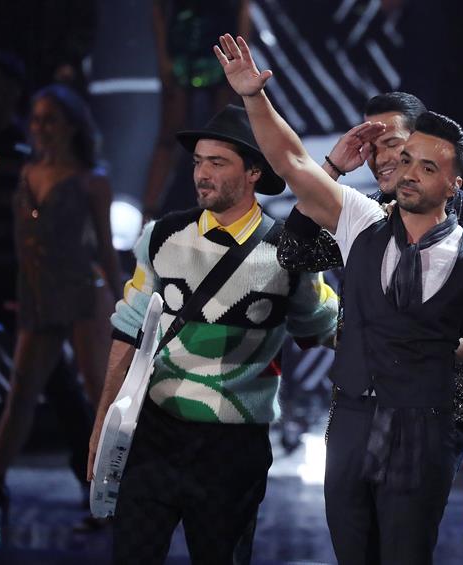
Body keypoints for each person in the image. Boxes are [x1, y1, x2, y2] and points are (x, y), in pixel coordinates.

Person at [214, 33, 463, 563]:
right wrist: (254, 97)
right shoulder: (363, 218)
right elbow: (294, 167)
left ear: (454, 182)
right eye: (401, 158)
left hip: (429, 423)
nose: (404, 169)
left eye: (424, 164)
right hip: (353, 417)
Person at [87, 103, 338, 565]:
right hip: (156, 433)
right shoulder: (161, 236)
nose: (202, 173)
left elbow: (325, 324)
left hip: (233, 444)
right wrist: (104, 419)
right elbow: (127, 328)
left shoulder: (288, 250)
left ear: (254, 173)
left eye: (217, 163)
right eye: (198, 162)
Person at [277, 91, 463, 466]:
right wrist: (333, 168)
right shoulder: (365, 214)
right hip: (359, 408)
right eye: (371, 148)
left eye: (392, 144)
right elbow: (295, 253)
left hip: (438, 413)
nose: (381, 158)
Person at [0, 84, 121, 532]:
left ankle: (108, 494)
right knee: (20, 393)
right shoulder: (25, 171)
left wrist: (122, 306)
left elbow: (104, 248)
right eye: (36, 118)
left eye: (50, 119)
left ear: (72, 125)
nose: (40, 127)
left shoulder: (90, 180)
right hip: (38, 294)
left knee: (100, 393)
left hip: (82, 292)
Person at [141, 0, 250, 219]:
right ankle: (148, 212)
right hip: (181, 47)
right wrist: (162, 58)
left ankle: (229, 205)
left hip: (221, 45)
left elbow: (244, 7)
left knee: (226, 135)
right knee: (170, 133)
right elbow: (158, 10)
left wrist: (242, 57)